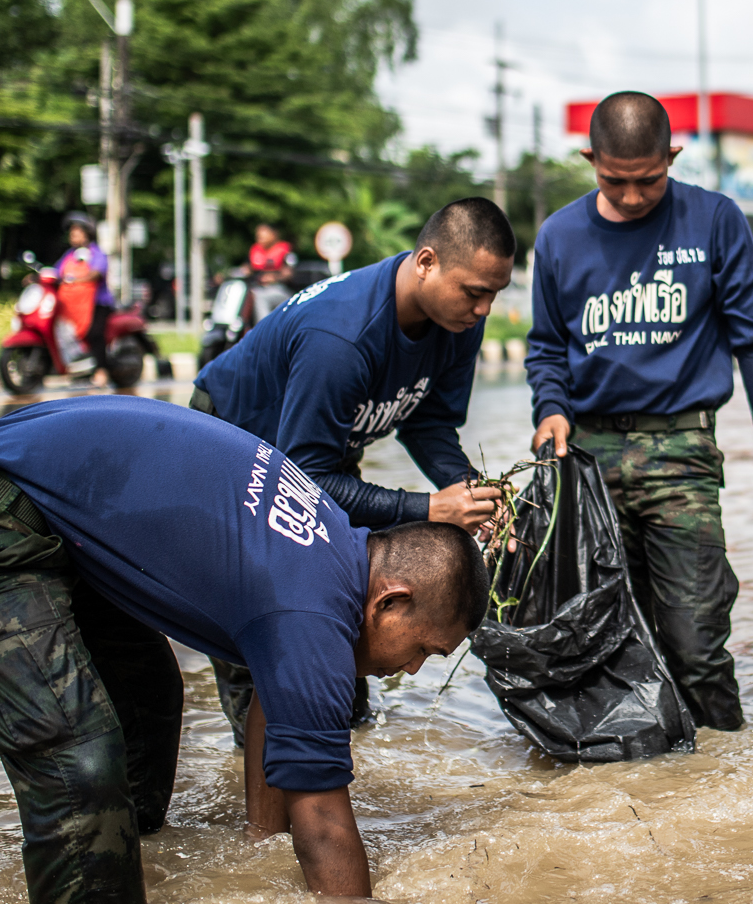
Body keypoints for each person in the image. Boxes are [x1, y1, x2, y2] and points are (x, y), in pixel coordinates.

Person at [0, 394, 488, 904]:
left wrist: (260, 849)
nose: (410, 671)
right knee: (81, 761)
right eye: (424, 651)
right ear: (393, 601)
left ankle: (116, 865)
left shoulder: (334, 543)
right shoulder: (314, 614)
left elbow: (276, 704)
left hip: (56, 519)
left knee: (147, 704)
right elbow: (324, 822)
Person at [193, 197, 515, 739]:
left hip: (318, 453)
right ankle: (264, 800)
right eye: (474, 292)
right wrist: (431, 508)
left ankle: (346, 744)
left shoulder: (458, 324)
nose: (483, 309)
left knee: (348, 639)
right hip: (236, 452)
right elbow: (307, 481)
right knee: (264, 646)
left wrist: (470, 491)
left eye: (494, 294)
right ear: (427, 262)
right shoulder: (340, 340)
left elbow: (427, 423)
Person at [526, 91, 753, 731]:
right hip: (585, 461)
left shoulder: (713, 221)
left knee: (695, 642)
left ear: (672, 157)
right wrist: (550, 409)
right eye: (613, 181)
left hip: (682, 456)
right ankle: (629, 787)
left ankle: (726, 784)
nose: (629, 197)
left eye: (647, 180)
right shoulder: (559, 235)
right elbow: (545, 348)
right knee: (596, 637)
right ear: (591, 159)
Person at [57, 212, 112, 383]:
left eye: (77, 231)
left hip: (98, 303)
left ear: (87, 234)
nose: (73, 235)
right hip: (73, 304)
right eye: (72, 232)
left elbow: (96, 272)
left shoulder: (96, 253)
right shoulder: (70, 255)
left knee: (94, 332)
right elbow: (56, 272)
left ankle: (101, 370)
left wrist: (76, 279)